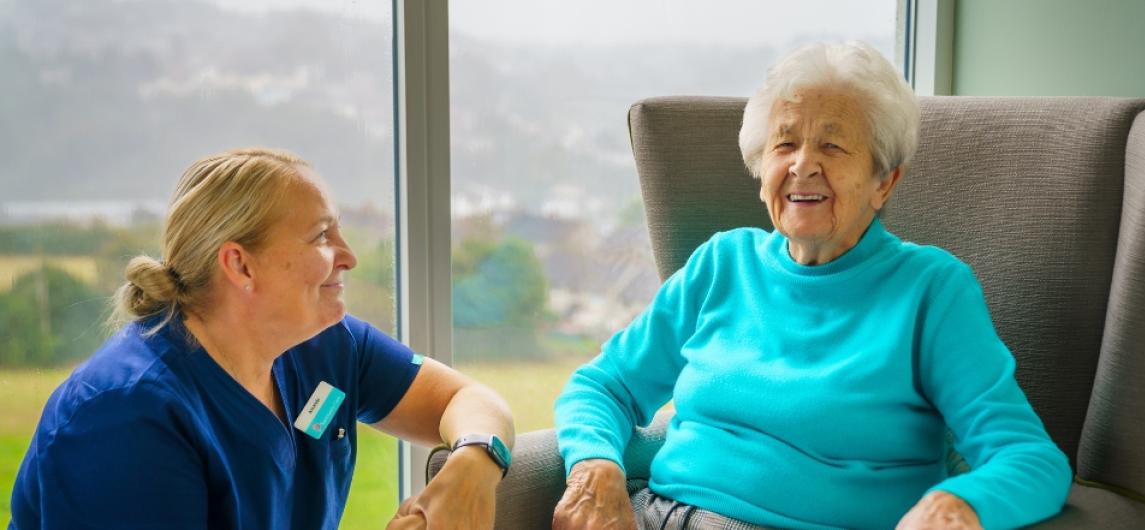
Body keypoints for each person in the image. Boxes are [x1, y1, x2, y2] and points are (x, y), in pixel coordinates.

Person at [551, 42, 1071, 530]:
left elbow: (1029, 458)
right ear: (761, 169)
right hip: (655, 514)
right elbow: (604, 386)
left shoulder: (931, 291)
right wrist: (594, 465)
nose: (803, 164)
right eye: (785, 143)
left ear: (883, 181)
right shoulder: (721, 263)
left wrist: (959, 504)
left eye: (832, 144)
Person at [8, 148, 514, 530]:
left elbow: (470, 400)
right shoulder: (124, 416)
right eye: (321, 236)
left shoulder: (326, 346)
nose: (348, 255)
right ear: (240, 264)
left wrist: (472, 462)